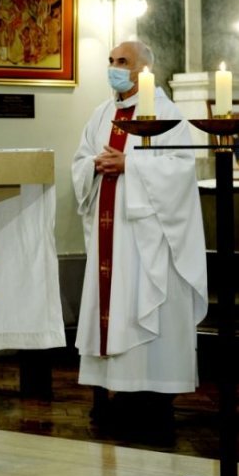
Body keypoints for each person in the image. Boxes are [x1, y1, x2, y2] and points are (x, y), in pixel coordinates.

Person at [71, 40, 207, 443]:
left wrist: (129, 163)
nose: (114, 67)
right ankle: (114, 394)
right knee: (115, 307)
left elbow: (182, 170)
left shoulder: (167, 115)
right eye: (111, 61)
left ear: (143, 69)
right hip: (111, 233)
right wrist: (94, 166)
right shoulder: (101, 114)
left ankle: (153, 398)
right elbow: (80, 160)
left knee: (146, 307)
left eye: (122, 62)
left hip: (148, 239)